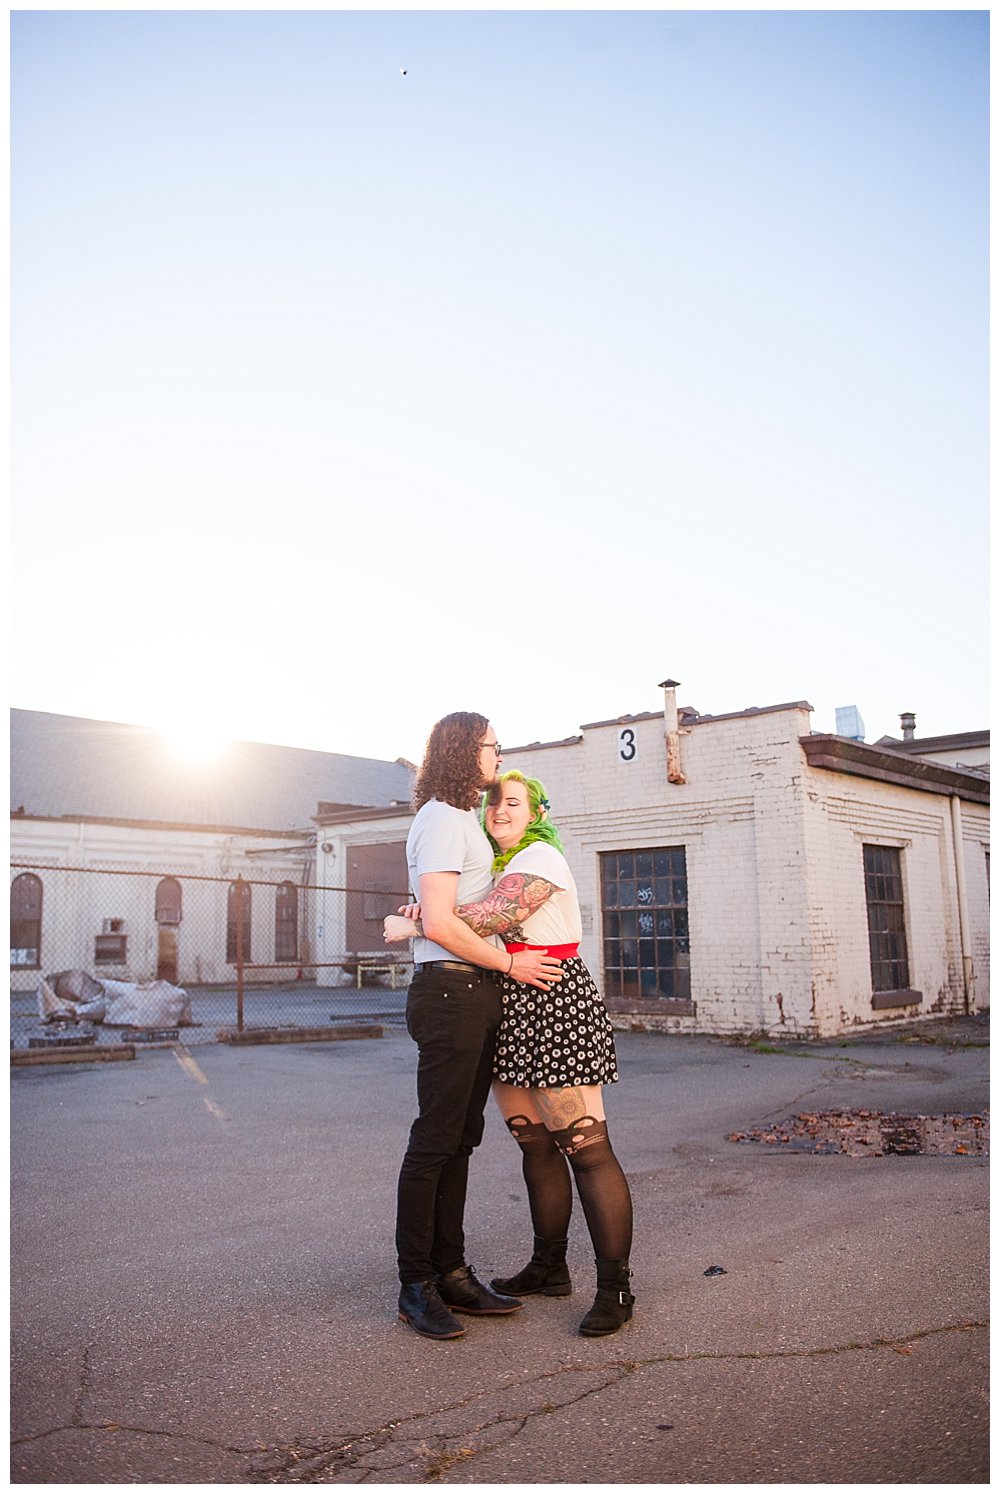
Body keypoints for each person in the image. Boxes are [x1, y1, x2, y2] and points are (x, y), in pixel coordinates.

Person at [386, 769, 634, 1337]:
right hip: (504, 1001)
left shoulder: (540, 858)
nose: (499, 808)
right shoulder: (493, 865)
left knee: (585, 1145)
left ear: (536, 814)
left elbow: (494, 917)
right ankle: (549, 1267)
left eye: (513, 802)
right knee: (535, 1144)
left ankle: (615, 1288)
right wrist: (435, 910)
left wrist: (419, 919)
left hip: (552, 1000)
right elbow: (469, 912)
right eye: (493, 800)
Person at [394, 714, 565, 1342]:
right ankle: (416, 1284)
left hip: (474, 992)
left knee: (461, 1138)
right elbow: (440, 923)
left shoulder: (461, 819)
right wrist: (509, 963)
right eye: (494, 745)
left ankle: (451, 1272)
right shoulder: (441, 817)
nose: (499, 755)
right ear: (467, 751)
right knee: (435, 1140)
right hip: (450, 991)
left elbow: (449, 910)